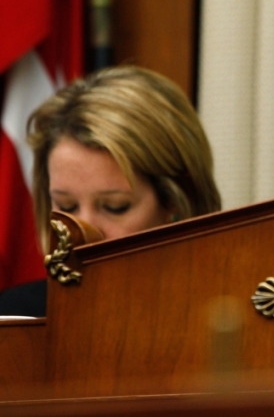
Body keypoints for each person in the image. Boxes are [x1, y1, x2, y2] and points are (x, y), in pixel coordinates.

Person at [0, 66, 221, 316]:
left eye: (115, 207)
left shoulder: (230, 318)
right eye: (66, 206)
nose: (82, 232)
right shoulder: (16, 318)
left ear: (176, 204)